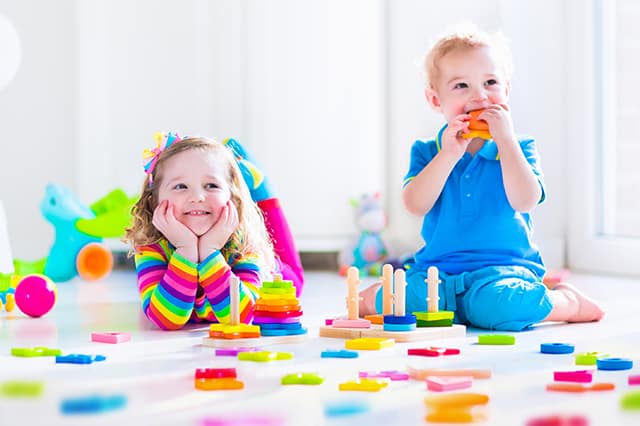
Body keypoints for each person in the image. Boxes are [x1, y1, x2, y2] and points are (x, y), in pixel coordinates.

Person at [359, 25, 604, 331]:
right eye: (461, 86)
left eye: (490, 82)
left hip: (504, 272)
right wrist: (447, 155)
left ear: (507, 90)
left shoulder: (520, 146)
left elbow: (525, 199)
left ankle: (567, 302)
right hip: (438, 273)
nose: (480, 96)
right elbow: (415, 204)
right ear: (436, 100)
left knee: (499, 308)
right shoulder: (427, 150)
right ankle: (379, 297)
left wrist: (506, 142)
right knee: (402, 302)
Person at [124, 132, 303, 330]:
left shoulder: (245, 243)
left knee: (295, 280)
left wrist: (209, 251)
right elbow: (166, 320)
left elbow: (244, 316)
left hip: (276, 274)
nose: (198, 197)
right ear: (154, 200)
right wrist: (186, 250)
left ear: (232, 199)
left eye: (211, 185)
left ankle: (260, 187)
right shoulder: (151, 245)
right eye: (181, 186)